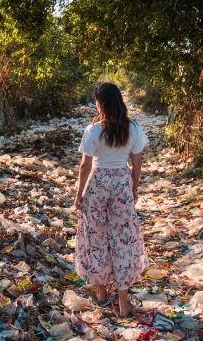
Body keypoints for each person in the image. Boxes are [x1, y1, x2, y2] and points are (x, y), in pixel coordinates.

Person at [74, 83, 150, 317]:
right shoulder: (134, 129)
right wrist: (134, 188)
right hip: (121, 183)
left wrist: (79, 194)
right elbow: (136, 165)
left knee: (96, 237)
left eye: (97, 100)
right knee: (122, 240)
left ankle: (101, 293)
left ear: (101, 103)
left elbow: (85, 166)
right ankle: (123, 302)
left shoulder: (93, 130)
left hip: (97, 185)